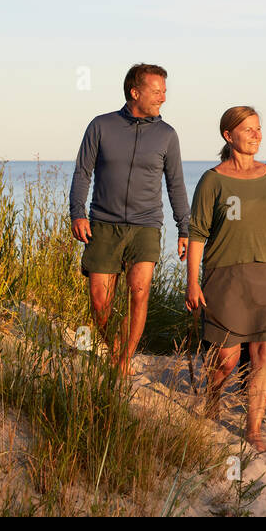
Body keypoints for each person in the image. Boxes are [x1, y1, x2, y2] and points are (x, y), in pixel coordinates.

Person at [185, 105, 266, 452]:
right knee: (227, 358)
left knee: (263, 355)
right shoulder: (212, 180)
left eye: (258, 128)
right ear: (228, 136)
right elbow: (196, 235)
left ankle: (253, 429)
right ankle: (212, 394)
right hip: (226, 276)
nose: (256, 135)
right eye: (248, 129)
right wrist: (193, 281)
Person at [69, 63, 190, 377]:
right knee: (99, 302)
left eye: (164, 90)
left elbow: (175, 183)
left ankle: (123, 362)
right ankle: (115, 346)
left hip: (146, 226)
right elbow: (82, 172)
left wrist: (184, 227)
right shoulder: (101, 126)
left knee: (139, 291)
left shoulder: (167, 135)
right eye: (157, 90)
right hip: (103, 224)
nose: (163, 97)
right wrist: (77, 213)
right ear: (135, 92)